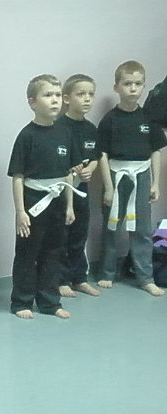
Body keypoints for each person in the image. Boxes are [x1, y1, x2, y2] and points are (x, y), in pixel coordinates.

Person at [8, 74, 83, 319]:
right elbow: (18, 176)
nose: (55, 100)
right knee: (28, 254)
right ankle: (21, 302)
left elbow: (69, 173)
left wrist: (70, 206)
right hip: (33, 202)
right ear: (32, 102)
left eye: (58, 95)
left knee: (53, 252)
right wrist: (20, 212)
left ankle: (50, 302)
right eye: (48, 95)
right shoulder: (27, 136)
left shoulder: (65, 132)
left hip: (58, 201)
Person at [96, 61, 167, 296]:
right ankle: (107, 272)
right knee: (111, 227)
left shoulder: (149, 118)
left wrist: (155, 183)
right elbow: (102, 154)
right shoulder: (110, 119)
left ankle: (145, 277)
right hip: (116, 176)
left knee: (142, 229)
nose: (133, 89)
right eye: (127, 84)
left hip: (142, 176)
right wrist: (108, 187)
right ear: (116, 87)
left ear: (144, 86)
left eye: (137, 84)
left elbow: (155, 151)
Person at [56, 74, 101, 297]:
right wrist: (69, 167)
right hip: (61, 190)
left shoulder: (91, 128)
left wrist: (90, 168)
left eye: (90, 94)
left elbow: (95, 156)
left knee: (79, 234)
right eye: (81, 94)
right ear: (66, 98)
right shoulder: (58, 126)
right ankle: (60, 279)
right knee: (61, 235)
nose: (87, 99)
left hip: (82, 190)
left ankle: (79, 278)